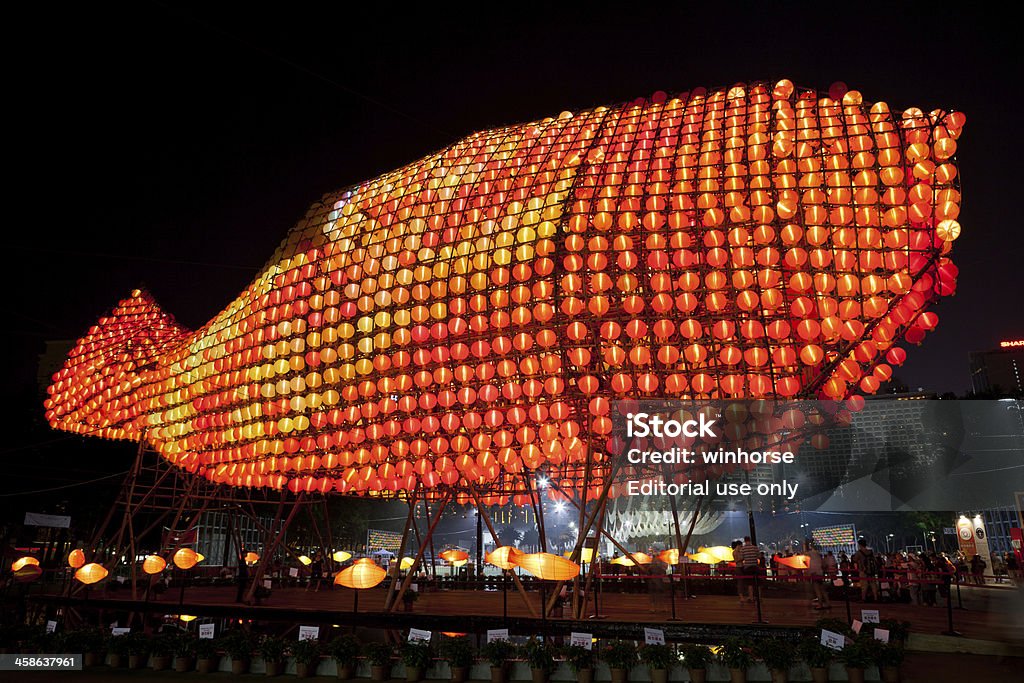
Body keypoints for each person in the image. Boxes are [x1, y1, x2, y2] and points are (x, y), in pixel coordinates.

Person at [805, 541, 831, 610]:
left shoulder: (810, 554)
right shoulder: (819, 554)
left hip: (814, 573)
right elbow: (824, 564)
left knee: (817, 590)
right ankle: (828, 603)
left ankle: (820, 604)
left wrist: (805, 545)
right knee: (822, 589)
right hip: (820, 573)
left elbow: (804, 554)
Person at [735, 536, 760, 605]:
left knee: (750, 584)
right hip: (755, 567)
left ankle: (751, 598)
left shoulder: (743, 549)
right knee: (756, 583)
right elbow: (759, 556)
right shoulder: (755, 548)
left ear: (745, 541)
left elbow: (741, 558)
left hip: (748, 567)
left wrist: (737, 560)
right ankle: (758, 598)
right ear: (750, 540)